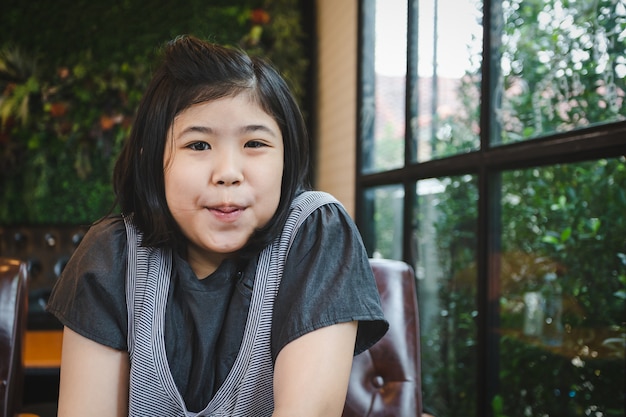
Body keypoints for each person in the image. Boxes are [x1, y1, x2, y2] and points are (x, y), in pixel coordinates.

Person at [46, 35, 388, 417]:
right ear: (152, 158)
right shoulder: (112, 254)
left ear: (286, 159)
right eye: (198, 145)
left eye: (255, 143)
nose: (228, 173)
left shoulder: (316, 233)